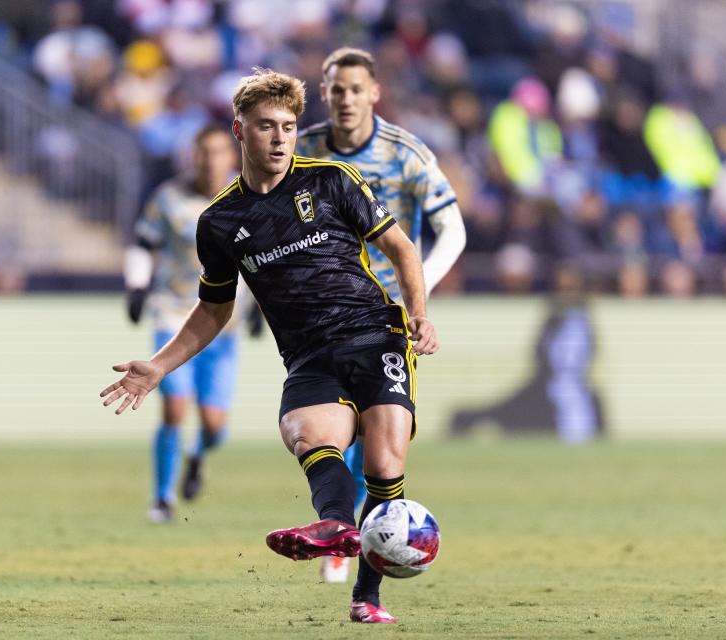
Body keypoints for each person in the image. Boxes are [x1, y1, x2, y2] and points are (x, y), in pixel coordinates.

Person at [101, 68, 438, 624]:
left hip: (375, 336)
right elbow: (214, 309)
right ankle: (336, 527)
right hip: (309, 355)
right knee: (306, 434)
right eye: (266, 127)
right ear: (240, 131)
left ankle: (367, 595)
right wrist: (158, 367)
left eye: (288, 126)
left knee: (383, 465)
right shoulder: (220, 221)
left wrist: (419, 316)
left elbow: (402, 250)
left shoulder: (332, 180)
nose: (280, 138)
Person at [296, 46, 465, 583]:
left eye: (356, 89)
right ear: (324, 93)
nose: (346, 99)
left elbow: (453, 230)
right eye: (336, 89)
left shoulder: (405, 153)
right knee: (332, 431)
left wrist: (420, 297)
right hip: (320, 316)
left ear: (375, 93)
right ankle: (344, 534)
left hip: (388, 318)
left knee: (378, 441)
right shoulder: (301, 151)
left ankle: (351, 549)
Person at [124, 124, 241, 523]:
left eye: (219, 152)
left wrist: (261, 308)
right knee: (174, 406)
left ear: (232, 157)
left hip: (224, 323)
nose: (210, 160)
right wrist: (137, 286)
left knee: (214, 426)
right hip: (173, 316)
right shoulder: (169, 198)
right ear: (194, 156)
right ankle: (162, 498)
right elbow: (143, 242)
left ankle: (198, 454)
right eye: (203, 152)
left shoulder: (245, 200)